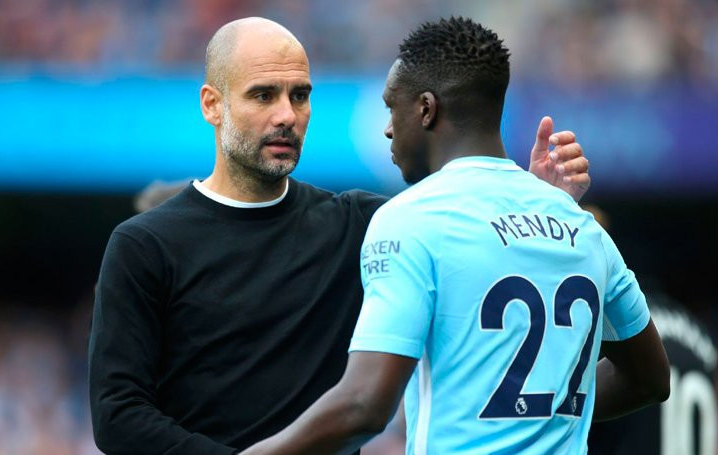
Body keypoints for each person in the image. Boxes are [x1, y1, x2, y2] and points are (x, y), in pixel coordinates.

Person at [88, 17, 591, 455]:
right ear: (212, 105)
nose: (287, 114)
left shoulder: (361, 224)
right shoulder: (143, 245)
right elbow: (118, 414)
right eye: (264, 95)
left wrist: (535, 196)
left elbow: (468, 225)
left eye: (300, 95)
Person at [241, 16, 670, 455]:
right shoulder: (580, 226)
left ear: (426, 109)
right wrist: (535, 409)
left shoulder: (410, 218)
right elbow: (651, 380)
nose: (389, 128)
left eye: (392, 107)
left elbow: (363, 406)